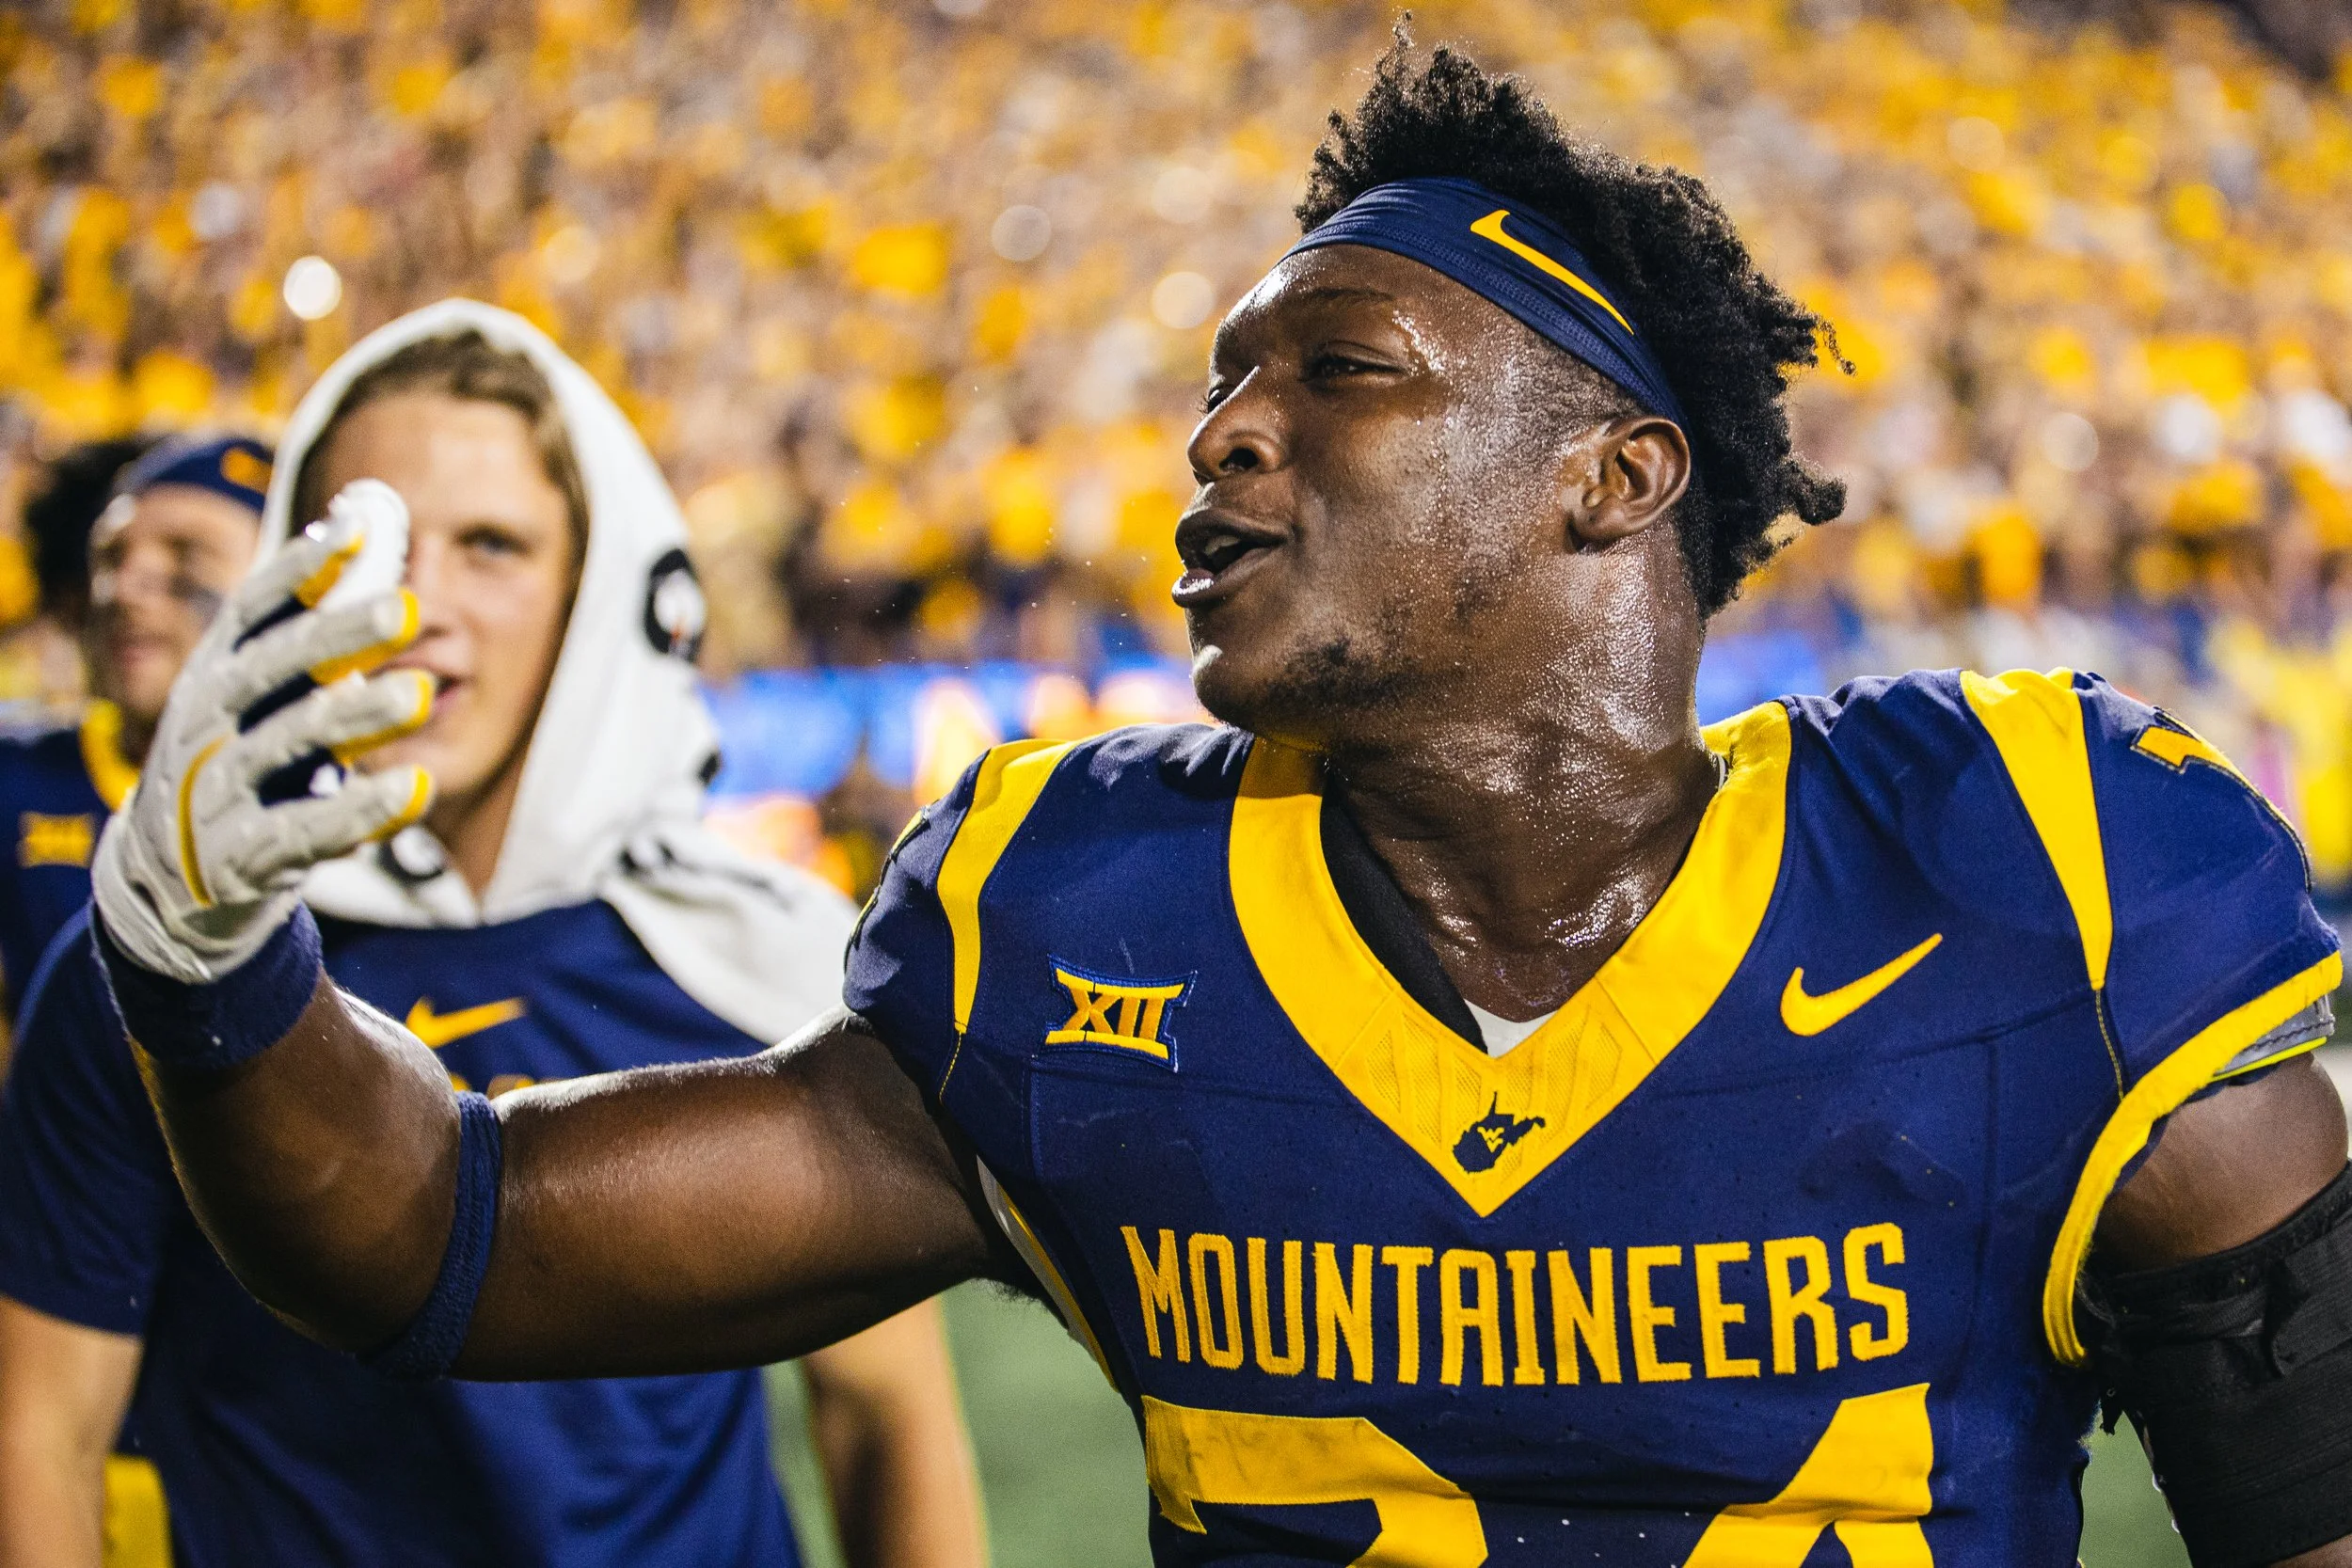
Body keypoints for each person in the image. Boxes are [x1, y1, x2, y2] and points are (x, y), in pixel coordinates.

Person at [69, 47, 2352, 1568]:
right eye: (1217, 380)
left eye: (1334, 370)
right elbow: (439, 1237)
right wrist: (200, 954)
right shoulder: (1082, 923)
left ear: (1614, 474)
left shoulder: (2027, 867)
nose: (1222, 435)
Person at [0, 303, 985, 1568]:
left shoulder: (761, 954)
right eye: (371, 539)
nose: (418, 601)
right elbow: (41, 1425)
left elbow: (883, 1414)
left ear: (595, 593)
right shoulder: (173, 956)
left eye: (492, 545)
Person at [0, 435, 264, 1032]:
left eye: (186, 556)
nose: (123, 591)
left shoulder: (351, 802)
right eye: (112, 558)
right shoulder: (14, 778)